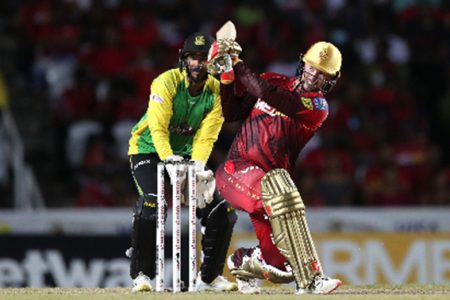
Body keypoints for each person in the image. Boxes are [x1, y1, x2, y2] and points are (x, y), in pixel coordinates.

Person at [207, 40, 343, 294]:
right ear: (303, 63)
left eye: (322, 72)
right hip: (235, 172)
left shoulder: (317, 107)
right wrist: (226, 79)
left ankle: (243, 263)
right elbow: (231, 113)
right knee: (280, 184)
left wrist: (237, 65)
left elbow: (273, 96)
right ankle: (313, 279)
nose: (314, 73)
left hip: (271, 190)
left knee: (282, 269)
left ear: (330, 80)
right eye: (312, 66)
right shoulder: (273, 79)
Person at [127, 32, 238, 293]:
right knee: (153, 203)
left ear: (213, 62)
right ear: (183, 59)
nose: (198, 64)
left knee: (222, 209)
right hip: (148, 150)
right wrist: (167, 158)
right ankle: (142, 274)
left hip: (187, 156)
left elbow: (207, 135)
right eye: (193, 58)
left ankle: (209, 277)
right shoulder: (165, 82)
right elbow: (157, 127)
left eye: (204, 59)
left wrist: (198, 166)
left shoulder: (217, 91)